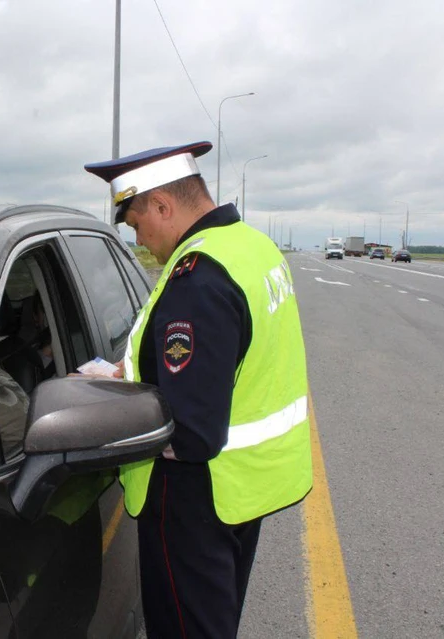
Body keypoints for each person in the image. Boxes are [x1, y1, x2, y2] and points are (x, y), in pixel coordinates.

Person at [84, 141, 313, 638]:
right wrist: (129, 376)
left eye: (139, 225)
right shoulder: (251, 247)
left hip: (193, 499)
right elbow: (226, 360)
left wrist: (107, 412)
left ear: (163, 206)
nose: (141, 242)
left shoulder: (198, 278)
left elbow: (188, 432)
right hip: (240, 491)